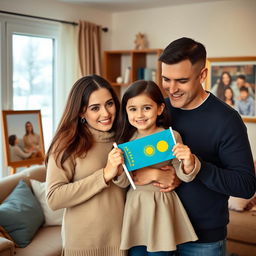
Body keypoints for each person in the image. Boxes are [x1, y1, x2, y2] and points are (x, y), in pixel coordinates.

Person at [133, 37, 256, 256]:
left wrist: (198, 167)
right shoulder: (156, 109)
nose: (172, 89)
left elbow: (245, 185)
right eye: (166, 79)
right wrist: (145, 173)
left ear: (202, 75)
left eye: (181, 80)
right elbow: (130, 153)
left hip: (202, 241)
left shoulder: (227, 120)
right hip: (152, 231)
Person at [114, 80, 201, 256]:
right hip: (136, 208)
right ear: (126, 111)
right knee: (137, 252)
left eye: (146, 108)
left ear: (160, 109)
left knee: (160, 253)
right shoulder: (125, 140)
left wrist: (189, 162)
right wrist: (117, 166)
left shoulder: (171, 137)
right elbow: (123, 182)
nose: (140, 114)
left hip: (161, 206)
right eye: (133, 109)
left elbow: (183, 175)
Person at [45, 75, 127, 256]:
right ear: (81, 112)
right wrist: (104, 175)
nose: (105, 113)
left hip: (121, 243)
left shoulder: (123, 138)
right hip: (83, 246)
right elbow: (54, 197)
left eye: (110, 104)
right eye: (95, 108)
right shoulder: (67, 144)